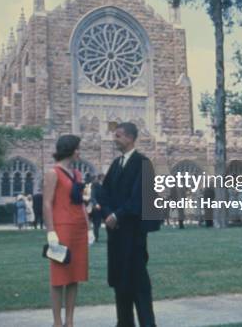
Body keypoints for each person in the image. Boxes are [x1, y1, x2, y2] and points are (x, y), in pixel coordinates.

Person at [100, 122, 158, 327]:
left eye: (118, 136)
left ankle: (147, 324)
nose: (114, 139)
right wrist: (107, 214)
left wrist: (117, 215)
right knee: (120, 282)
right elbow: (103, 193)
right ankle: (124, 323)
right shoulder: (116, 164)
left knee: (139, 284)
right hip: (116, 235)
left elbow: (139, 198)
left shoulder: (143, 164)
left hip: (134, 235)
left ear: (130, 138)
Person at [43, 134, 89, 327]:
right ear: (69, 149)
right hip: (62, 228)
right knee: (59, 275)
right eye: (77, 148)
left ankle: (70, 320)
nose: (79, 152)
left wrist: (88, 225)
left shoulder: (77, 174)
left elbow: (81, 202)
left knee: (74, 275)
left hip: (78, 228)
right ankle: (57, 321)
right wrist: (50, 231)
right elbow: (47, 203)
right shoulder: (53, 173)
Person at [90, 174, 104, 242]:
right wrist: (96, 204)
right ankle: (96, 237)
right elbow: (93, 196)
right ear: (100, 178)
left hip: (106, 207)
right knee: (97, 224)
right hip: (97, 207)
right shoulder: (95, 185)